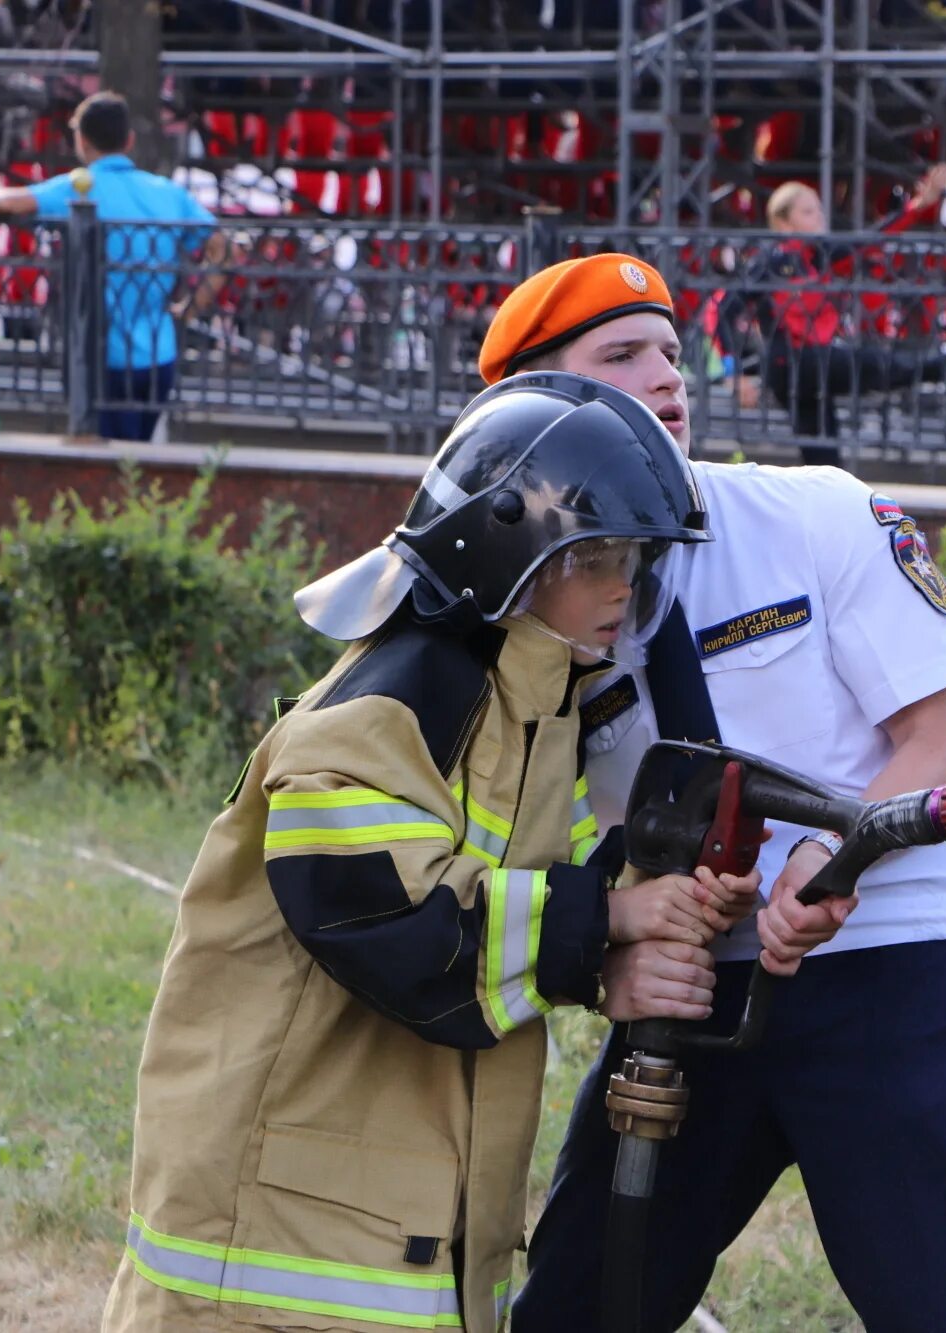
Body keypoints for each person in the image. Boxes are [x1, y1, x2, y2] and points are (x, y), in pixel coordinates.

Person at [99, 373, 769, 1331]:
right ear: (515, 552)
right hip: (267, 1251)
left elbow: (560, 882)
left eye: (638, 557)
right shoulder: (387, 708)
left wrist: (651, 921)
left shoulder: (534, 702)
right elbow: (399, 926)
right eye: (602, 554)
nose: (627, 584)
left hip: (389, 1217)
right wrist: (611, 923)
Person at [492, 254, 946, 1332]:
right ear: (533, 407)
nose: (666, 377)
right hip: (686, 992)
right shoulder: (526, 604)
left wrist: (829, 859)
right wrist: (615, 942)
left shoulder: (816, 515)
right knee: (575, 1306)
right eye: (621, 356)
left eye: (669, 352)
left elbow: (941, 741)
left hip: (892, 968)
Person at [0, 89, 229, 442]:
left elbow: (9, 201)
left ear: (80, 142)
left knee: (112, 465)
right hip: (160, 355)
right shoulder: (169, 193)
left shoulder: (78, 188)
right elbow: (223, 249)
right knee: (139, 458)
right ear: (129, 140)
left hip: (104, 357)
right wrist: (191, 310)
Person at [744, 164, 946, 467]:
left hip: (808, 366)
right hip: (796, 361)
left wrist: (917, 206)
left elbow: (870, 240)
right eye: (807, 212)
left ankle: (825, 508)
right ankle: (943, 365)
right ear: (783, 222)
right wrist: (736, 372)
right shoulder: (768, 261)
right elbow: (725, 308)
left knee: (822, 459)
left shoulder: (819, 254)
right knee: (869, 364)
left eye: (818, 209)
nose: (819, 217)